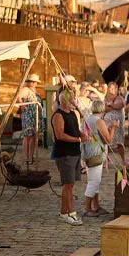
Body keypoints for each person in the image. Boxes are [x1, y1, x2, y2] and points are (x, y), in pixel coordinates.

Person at [52, 91, 84, 226]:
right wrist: (78, 139)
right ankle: (69, 212)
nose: (74, 101)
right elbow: (60, 135)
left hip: (75, 152)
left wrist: (83, 136)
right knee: (67, 184)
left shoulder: (72, 113)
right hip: (65, 153)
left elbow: (76, 130)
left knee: (71, 184)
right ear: (64, 101)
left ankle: (64, 211)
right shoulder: (58, 115)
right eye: (72, 99)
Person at [81, 99, 114, 218]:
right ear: (102, 109)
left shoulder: (86, 119)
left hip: (88, 152)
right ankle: (87, 208)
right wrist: (113, 128)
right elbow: (108, 140)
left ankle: (96, 206)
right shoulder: (99, 121)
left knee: (94, 180)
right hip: (96, 153)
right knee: (94, 182)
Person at [14, 74, 44, 163]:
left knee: (34, 136)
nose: (33, 83)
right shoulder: (25, 89)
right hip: (29, 116)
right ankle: (28, 156)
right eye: (32, 81)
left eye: (35, 82)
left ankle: (31, 155)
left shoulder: (34, 90)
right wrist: (23, 106)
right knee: (28, 136)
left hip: (36, 116)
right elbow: (17, 97)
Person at [103, 81, 126, 166]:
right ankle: (105, 159)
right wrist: (111, 105)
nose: (112, 90)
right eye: (110, 88)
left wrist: (110, 105)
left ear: (116, 89)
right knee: (106, 141)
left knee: (119, 143)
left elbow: (119, 105)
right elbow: (105, 109)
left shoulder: (119, 98)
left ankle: (123, 160)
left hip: (117, 123)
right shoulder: (105, 98)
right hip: (107, 123)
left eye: (114, 88)